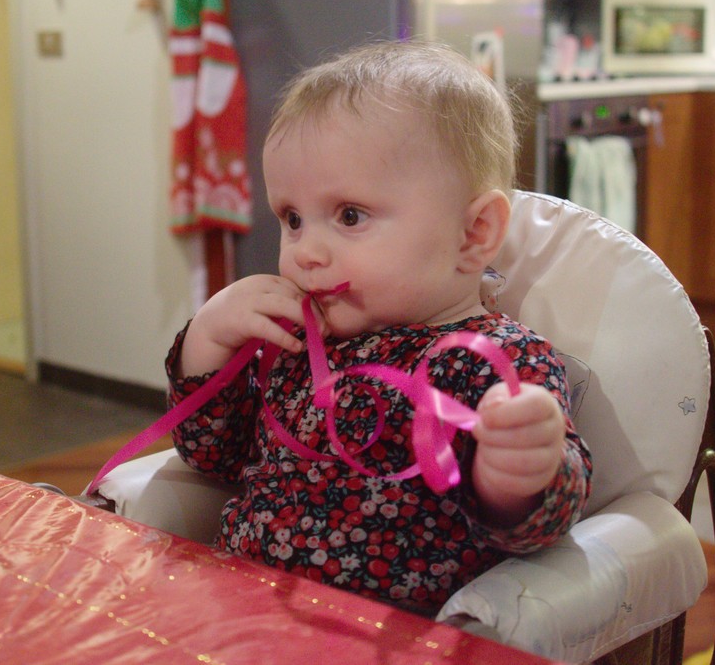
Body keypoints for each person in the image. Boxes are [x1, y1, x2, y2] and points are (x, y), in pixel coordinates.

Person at [166, 40, 592, 614]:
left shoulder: (496, 360)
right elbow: (211, 458)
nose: (306, 252)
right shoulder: (297, 343)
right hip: (242, 616)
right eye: (292, 219)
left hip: (389, 641)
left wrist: (516, 476)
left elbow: (535, 531)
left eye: (349, 216)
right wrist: (208, 339)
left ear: (473, 233)